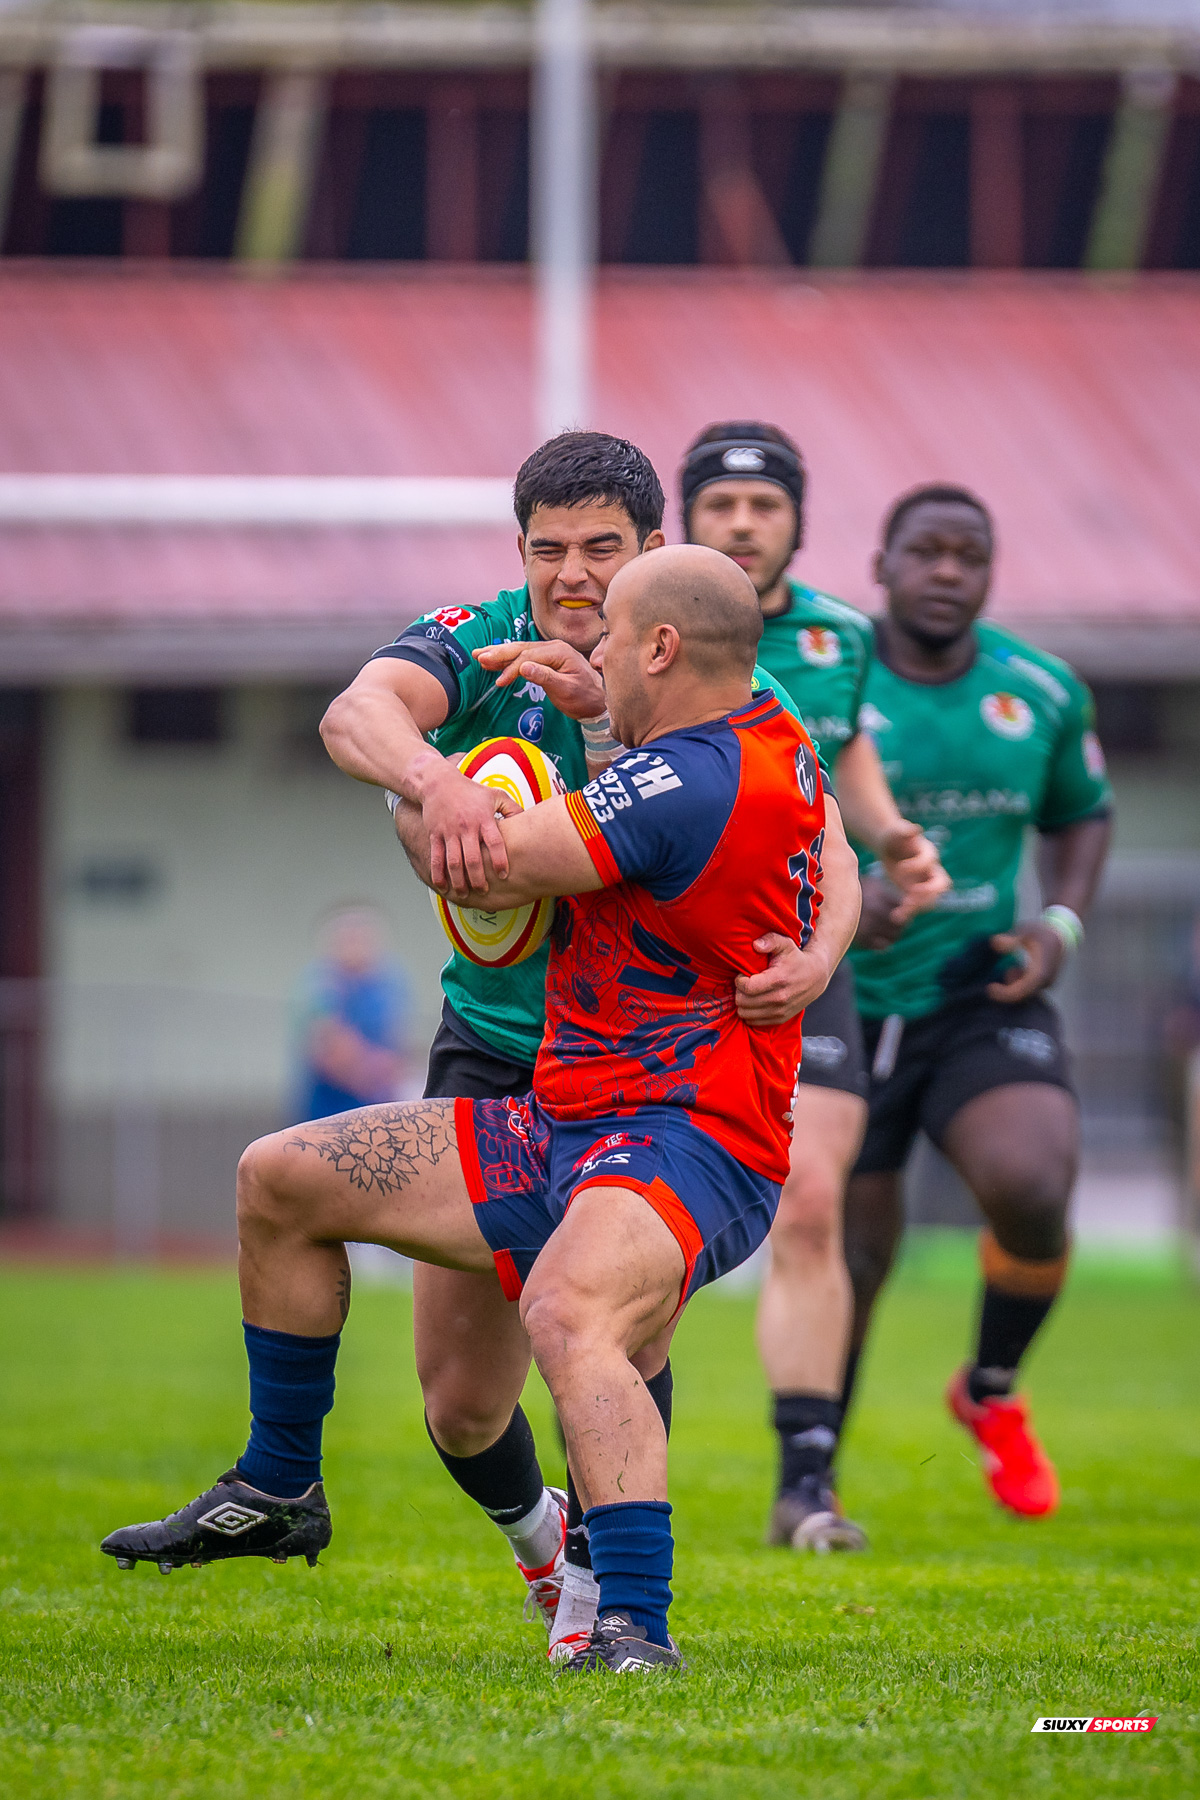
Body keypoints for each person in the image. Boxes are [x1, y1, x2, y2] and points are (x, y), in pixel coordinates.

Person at [99, 544, 862, 1674]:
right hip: (562, 1116)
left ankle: (633, 1628)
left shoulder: (685, 780)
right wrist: (820, 944)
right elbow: (833, 842)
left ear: (660, 646)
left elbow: (492, 867)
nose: (594, 650)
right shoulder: (772, 734)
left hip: (691, 1134)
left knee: (568, 1310)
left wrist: (427, 786)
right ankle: (280, 1483)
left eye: (614, 634)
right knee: (280, 1178)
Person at [308, 430, 834, 1659]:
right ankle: (542, 1543)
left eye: (603, 548)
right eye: (549, 549)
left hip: (650, 1073)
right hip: (497, 1043)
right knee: (459, 1399)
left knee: (606, 1322)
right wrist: (435, 783)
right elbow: (356, 713)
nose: (574, 574)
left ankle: (613, 1600)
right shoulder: (483, 636)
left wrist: (819, 955)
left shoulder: (705, 667)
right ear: (521, 552)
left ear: (653, 551)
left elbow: (830, 841)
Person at [680, 422, 948, 1552]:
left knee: (814, 1203)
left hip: (806, 954)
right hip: (668, 961)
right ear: (686, 519)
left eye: (765, 507)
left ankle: (807, 1482)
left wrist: (895, 841)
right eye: (721, 506)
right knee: (624, 1214)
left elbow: (847, 761)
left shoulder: (843, 638)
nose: (743, 524)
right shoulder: (645, 627)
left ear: (797, 521)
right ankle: (600, 1479)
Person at [838, 484, 1112, 1519]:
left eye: (969, 555)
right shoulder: (828, 679)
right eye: (927, 551)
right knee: (853, 1259)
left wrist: (1059, 924)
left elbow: (1084, 813)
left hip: (979, 990)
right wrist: (839, 898)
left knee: (1034, 1183)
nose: (947, 571)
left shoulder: (1040, 690)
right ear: (882, 565)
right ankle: (809, 1473)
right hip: (844, 1002)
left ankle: (990, 1390)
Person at [292, 904, 411, 1122]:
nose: (356, 944)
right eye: (348, 936)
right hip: (328, 1113)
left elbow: (397, 1049)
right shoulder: (322, 987)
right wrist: (374, 1072)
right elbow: (329, 1052)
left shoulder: (387, 985)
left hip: (375, 1111)